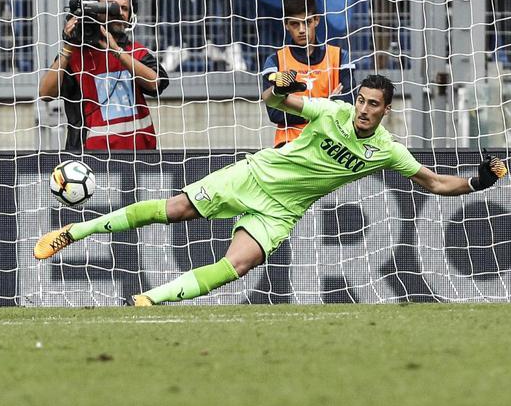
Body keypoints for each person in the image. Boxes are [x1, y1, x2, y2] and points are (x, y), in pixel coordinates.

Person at [34, 74, 508, 305]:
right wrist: (278, 86)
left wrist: (479, 181)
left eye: (373, 105)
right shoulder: (331, 112)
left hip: (283, 210)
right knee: (174, 209)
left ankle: (148, 300)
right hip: (253, 176)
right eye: (361, 100)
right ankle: (77, 231)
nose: (363, 109)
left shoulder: (387, 150)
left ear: (386, 110)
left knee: (238, 265)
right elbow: (276, 100)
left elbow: (435, 182)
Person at [38, 0, 169, 152]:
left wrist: (117, 52)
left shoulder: (136, 52)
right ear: (96, 11)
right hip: (89, 157)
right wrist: (69, 45)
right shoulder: (76, 57)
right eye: (111, 7)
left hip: (140, 154)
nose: (119, 13)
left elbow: (156, 83)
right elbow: (45, 94)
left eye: (124, 8)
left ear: (130, 16)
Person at [261, 0, 354, 147]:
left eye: (307, 22)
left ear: (316, 20)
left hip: (331, 143)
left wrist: (293, 105)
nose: (302, 30)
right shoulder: (275, 61)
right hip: (290, 144)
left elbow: (347, 106)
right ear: (286, 24)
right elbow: (275, 113)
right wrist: (327, 104)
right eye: (294, 24)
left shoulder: (339, 57)